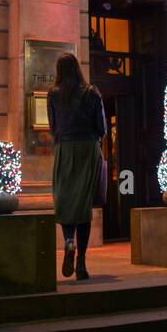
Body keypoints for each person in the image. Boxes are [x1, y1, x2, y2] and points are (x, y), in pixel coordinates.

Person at [47, 53, 107, 280]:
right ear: (77, 68)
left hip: (65, 149)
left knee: (64, 200)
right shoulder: (91, 92)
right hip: (87, 148)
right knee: (83, 205)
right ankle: (81, 263)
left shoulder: (52, 94)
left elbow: (52, 127)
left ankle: (68, 241)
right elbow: (101, 126)